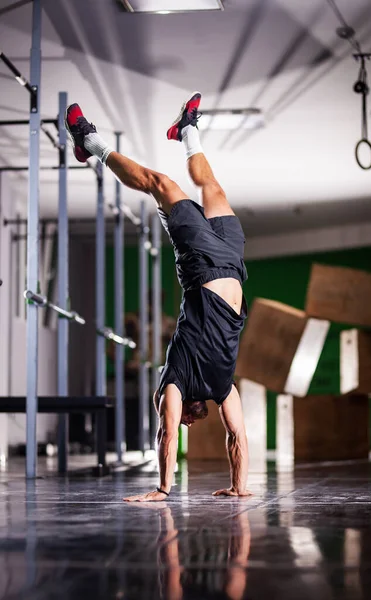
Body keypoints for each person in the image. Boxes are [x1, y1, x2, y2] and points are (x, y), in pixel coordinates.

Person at [65, 92, 252, 501]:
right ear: (190, 412)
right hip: (231, 262)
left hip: (202, 265)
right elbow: (235, 433)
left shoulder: (176, 378)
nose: (168, 410)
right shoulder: (221, 386)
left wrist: (163, 490)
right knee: (214, 187)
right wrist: (239, 488)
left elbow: (167, 432)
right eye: (182, 416)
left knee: (160, 184)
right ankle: (186, 131)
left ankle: (87, 140)